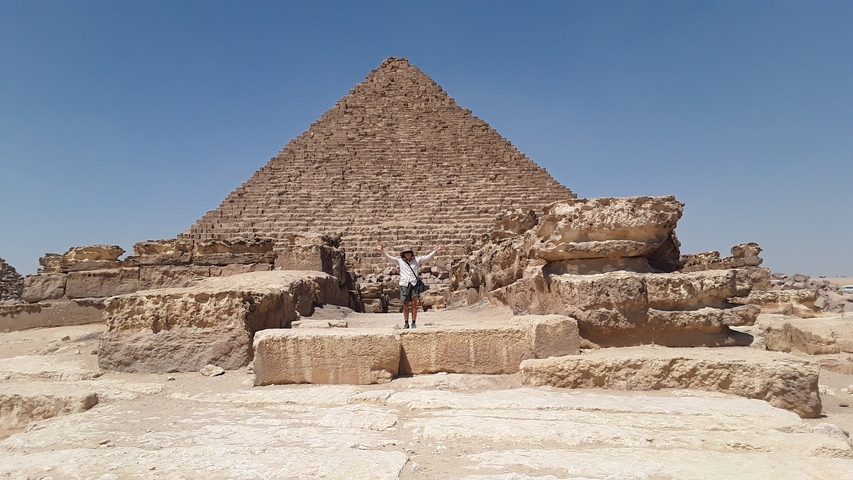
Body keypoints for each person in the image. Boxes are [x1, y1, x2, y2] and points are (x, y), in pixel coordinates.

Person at [375, 243, 443, 329]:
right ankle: (406, 323)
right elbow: (390, 258)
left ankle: (414, 322)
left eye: (409, 252)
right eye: (406, 252)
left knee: (414, 304)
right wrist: (382, 251)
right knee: (405, 305)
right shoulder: (400, 261)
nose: (407, 254)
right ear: (403, 254)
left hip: (414, 284)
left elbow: (427, 258)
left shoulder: (416, 260)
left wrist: (435, 251)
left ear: (411, 253)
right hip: (405, 284)